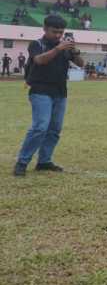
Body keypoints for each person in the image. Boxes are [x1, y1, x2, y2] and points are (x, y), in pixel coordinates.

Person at [13, 15, 85, 176]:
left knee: (54, 129)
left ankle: (44, 161)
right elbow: (39, 60)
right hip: (40, 91)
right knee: (40, 127)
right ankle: (22, 162)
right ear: (45, 29)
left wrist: (74, 51)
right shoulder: (37, 44)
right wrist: (58, 48)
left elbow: (81, 64)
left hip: (60, 92)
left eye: (61, 32)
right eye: (55, 32)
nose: (58, 35)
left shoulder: (65, 46)